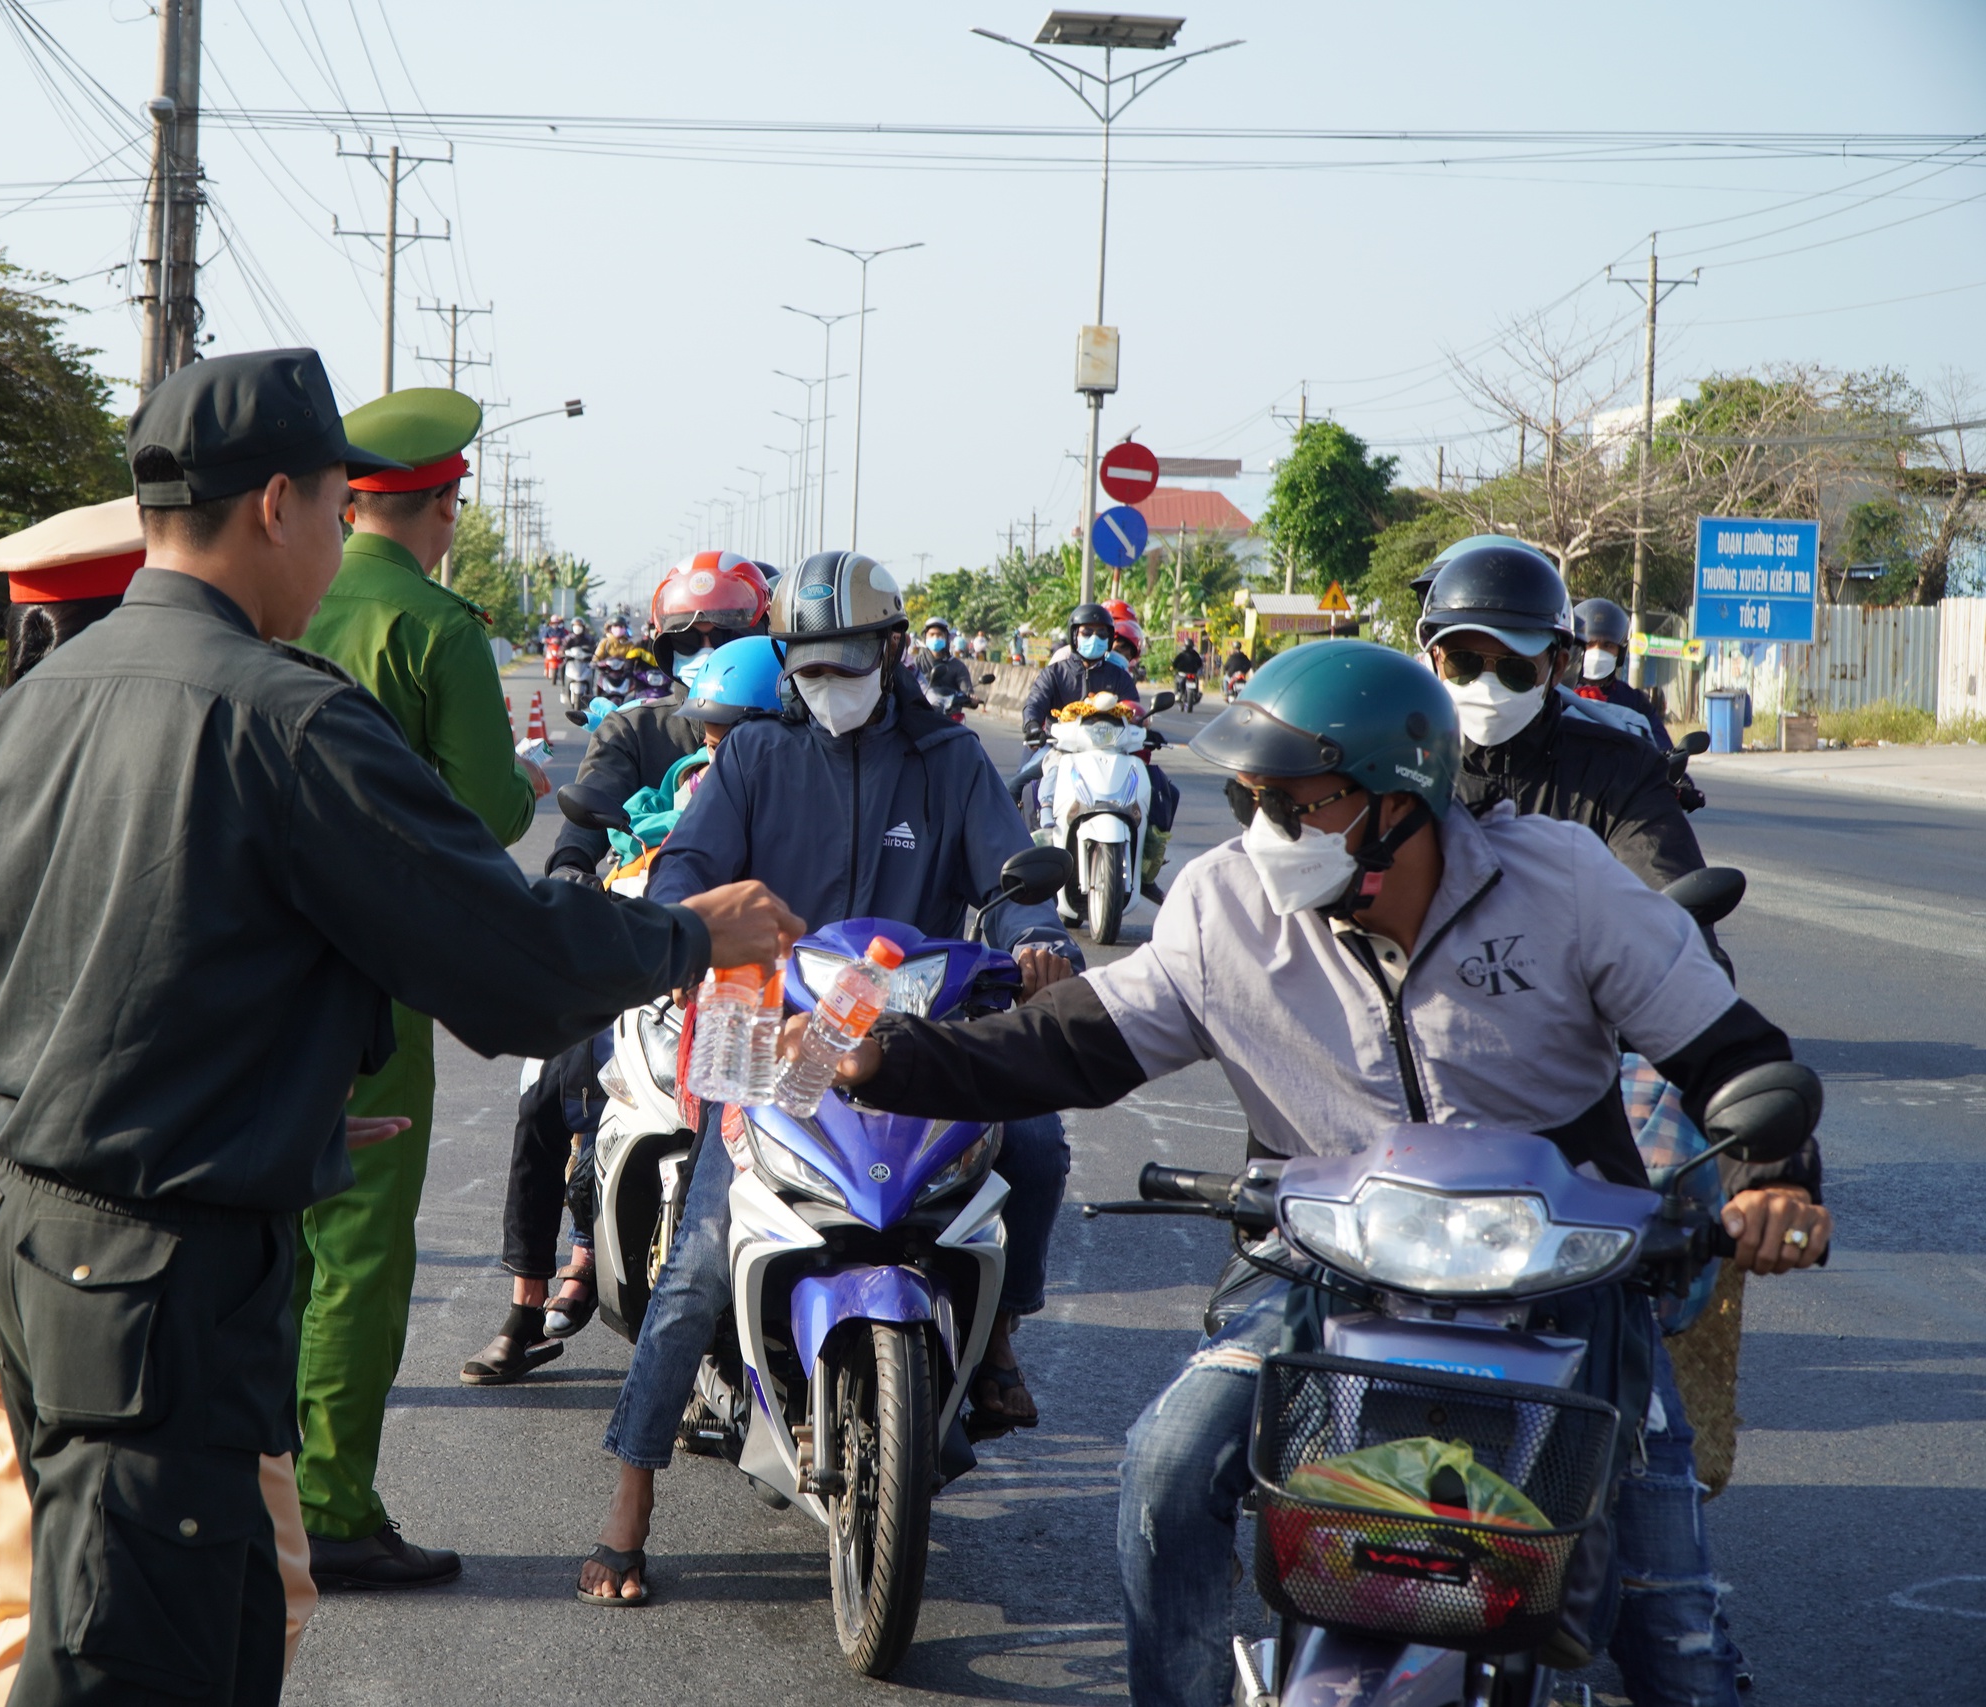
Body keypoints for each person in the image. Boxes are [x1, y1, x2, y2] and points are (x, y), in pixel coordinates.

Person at [0, 348, 801, 1704]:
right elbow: (508, 962)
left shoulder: (38, 699)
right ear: (278, 502)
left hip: (32, 1245)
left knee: (168, 1633)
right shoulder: (281, 716)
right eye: (340, 512)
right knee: (128, 1670)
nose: (342, 548)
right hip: (160, 1281)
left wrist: (251, 1079)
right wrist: (698, 932)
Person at [818, 639, 1831, 1707]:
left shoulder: (1564, 884)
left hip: (1557, 1287)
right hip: (1314, 1272)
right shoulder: (1223, 908)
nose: (1265, 834)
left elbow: (1731, 1051)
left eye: (1296, 804)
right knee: (1166, 1468)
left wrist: (1773, 1177)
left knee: (1671, 1634)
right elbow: (1069, 1041)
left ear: (1401, 799)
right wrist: (881, 1061)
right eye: (1251, 800)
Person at [575, 552, 1084, 1607]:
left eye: (848, 662)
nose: (829, 684)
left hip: (922, 1034)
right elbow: (682, 873)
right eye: (807, 668)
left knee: (1035, 1144)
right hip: (772, 1034)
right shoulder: (755, 756)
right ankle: (627, 1507)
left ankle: (995, 1343)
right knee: (702, 1264)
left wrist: (1036, 942)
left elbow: (1010, 880)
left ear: (892, 651)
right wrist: (700, 924)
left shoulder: (949, 761)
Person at [0, 494, 331, 1706]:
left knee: (40, 1606)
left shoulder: (9, 764)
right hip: (123, 1250)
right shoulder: (151, 768)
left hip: (15, 1212)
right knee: (156, 1617)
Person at [288, 384, 552, 1590]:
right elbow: (482, 813)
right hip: (371, 976)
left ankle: (251, 1484)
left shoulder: (282, 596)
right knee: (355, 1251)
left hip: (244, 961)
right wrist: (532, 786)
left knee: (266, 1239)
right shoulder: (435, 628)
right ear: (443, 504)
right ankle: (331, 1510)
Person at [465, 554, 772, 1383]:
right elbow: (582, 832)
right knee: (548, 1089)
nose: (705, 649)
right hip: (646, 948)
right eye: (687, 638)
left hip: (766, 964)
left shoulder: (795, 735)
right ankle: (530, 1301)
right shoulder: (635, 733)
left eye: (726, 635)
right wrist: (571, 875)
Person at [1418, 536, 1704, 896]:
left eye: (1515, 669)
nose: (1486, 687)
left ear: (1557, 667)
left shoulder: (1620, 773)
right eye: (1464, 663)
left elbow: (1673, 905)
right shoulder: (1402, 770)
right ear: (1435, 658)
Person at [1021, 602, 1141, 747]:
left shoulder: (1120, 677)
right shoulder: (1054, 673)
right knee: (1029, 769)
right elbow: (1035, 704)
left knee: (1146, 770)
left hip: (1110, 750)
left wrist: (1143, 726)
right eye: (1087, 632)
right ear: (1074, 635)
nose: (1094, 638)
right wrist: (1032, 725)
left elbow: (1133, 711)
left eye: (1101, 634)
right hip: (1058, 748)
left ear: (1109, 639)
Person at [1572, 595, 1675, 752]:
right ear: (1577, 648)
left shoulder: (1635, 702)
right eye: (1590, 644)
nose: (1598, 652)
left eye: (1608, 645)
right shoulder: (1557, 693)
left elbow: (1662, 749)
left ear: (1620, 654)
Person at [908, 614, 978, 717]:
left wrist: (972, 699)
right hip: (923, 715)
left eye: (939, 635)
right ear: (925, 637)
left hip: (950, 716)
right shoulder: (915, 663)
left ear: (946, 637)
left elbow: (967, 692)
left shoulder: (958, 666)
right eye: (932, 635)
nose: (935, 638)